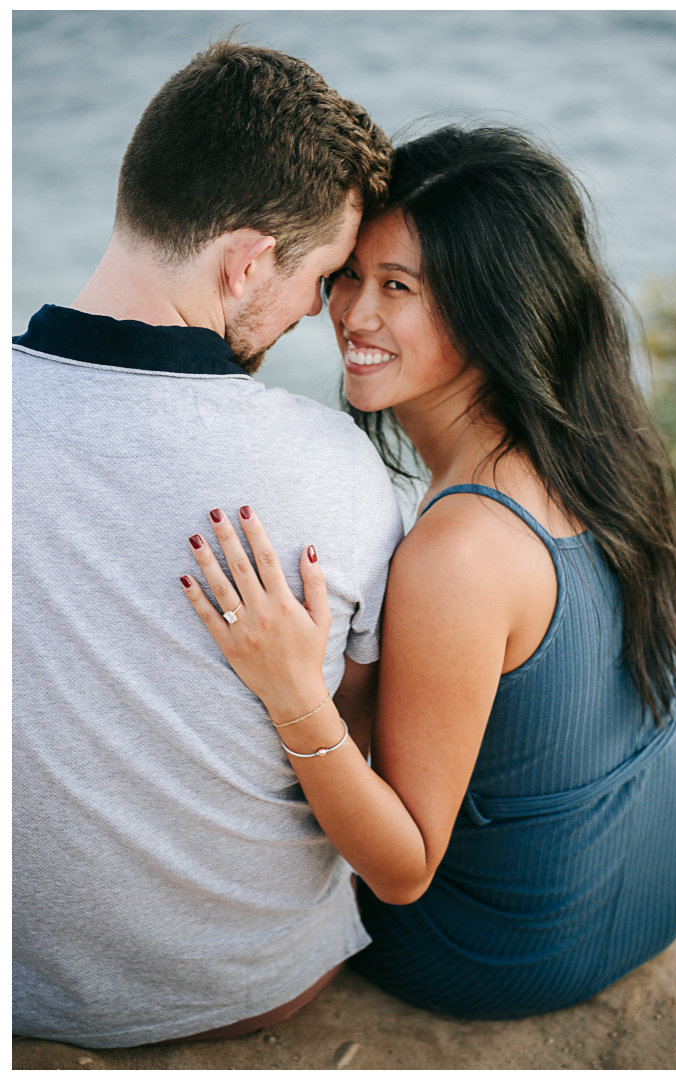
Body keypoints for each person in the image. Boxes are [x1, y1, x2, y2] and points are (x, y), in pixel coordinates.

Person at [177, 125, 676, 1020]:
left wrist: (289, 691)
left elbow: (405, 868)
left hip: (510, 946)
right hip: (660, 884)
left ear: (494, 309)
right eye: (349, 274)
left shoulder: (458, 553)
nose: (353, 313)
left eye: (400, 289)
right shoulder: (589, 447)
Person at [12, 40, 404, 1048]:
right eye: (321, 280)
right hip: (251, 981)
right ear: (247, 262)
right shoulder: (336, 470)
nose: (322, 314)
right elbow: (356, 745)